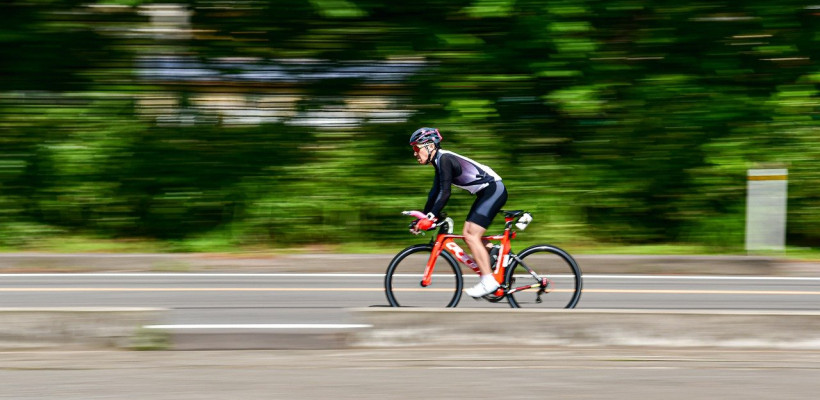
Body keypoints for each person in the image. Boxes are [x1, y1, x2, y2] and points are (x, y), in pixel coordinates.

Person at [408, 127, 508, 297]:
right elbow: (434, 194)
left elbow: (445, 192)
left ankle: (488, 281)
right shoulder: (439, 162)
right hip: (487, 192)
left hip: (493, 190)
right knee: (469, 233)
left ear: (430, 146)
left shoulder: (444, 159)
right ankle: (496, 254)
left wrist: (431, 216)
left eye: (417, 148)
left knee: (470, 235)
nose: (415, 153)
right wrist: (425, 216)